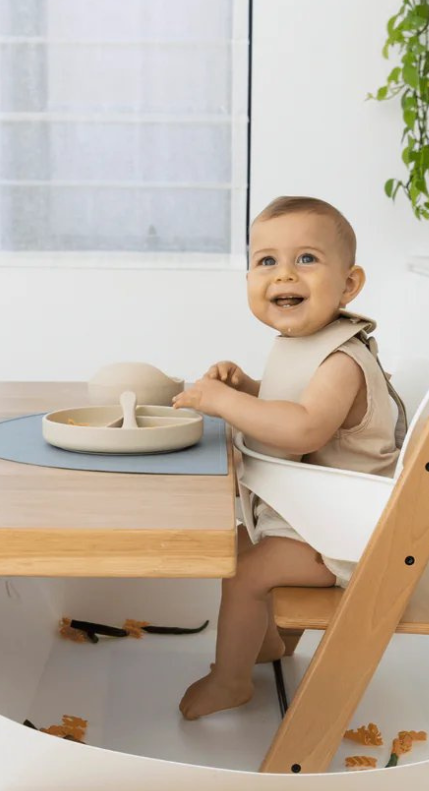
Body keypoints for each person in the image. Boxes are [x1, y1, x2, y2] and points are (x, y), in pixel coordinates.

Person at [172, 195, 406, 719]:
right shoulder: (304, 344)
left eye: (306, 259)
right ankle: (267, 643)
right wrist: (249, 387)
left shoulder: (343, 359)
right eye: (266, 261)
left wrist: (225, 403)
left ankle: (230, 680)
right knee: (234, 540)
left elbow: (303, 429)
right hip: (312, 518)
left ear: (349, 285)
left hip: (339, 538)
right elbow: (292, 404)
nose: (284, 275)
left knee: (245, 571)